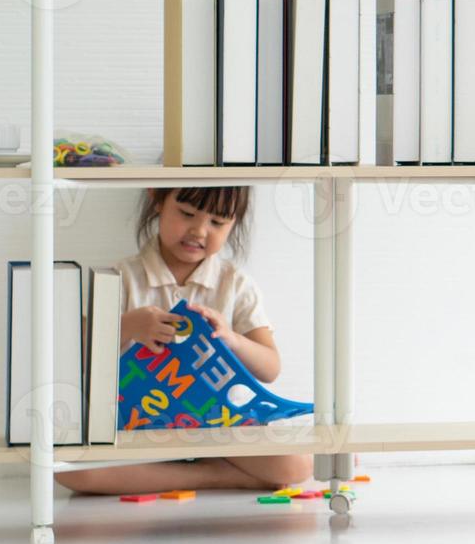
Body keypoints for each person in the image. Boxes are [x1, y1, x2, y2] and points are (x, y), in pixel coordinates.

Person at [56, 186, 313, 495]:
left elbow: (270, 367)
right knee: (69, 469)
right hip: (137, 428)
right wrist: (128, 326)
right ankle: (216, 477)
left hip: (219, 429)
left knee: (297, 466)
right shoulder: (121, 277)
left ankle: (193, 470)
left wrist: (231, 339)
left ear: (234, 224)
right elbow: (74, 354)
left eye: (217, 223)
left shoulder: (236, 283)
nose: (199, 231)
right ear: (158, 200)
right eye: (187, 214)